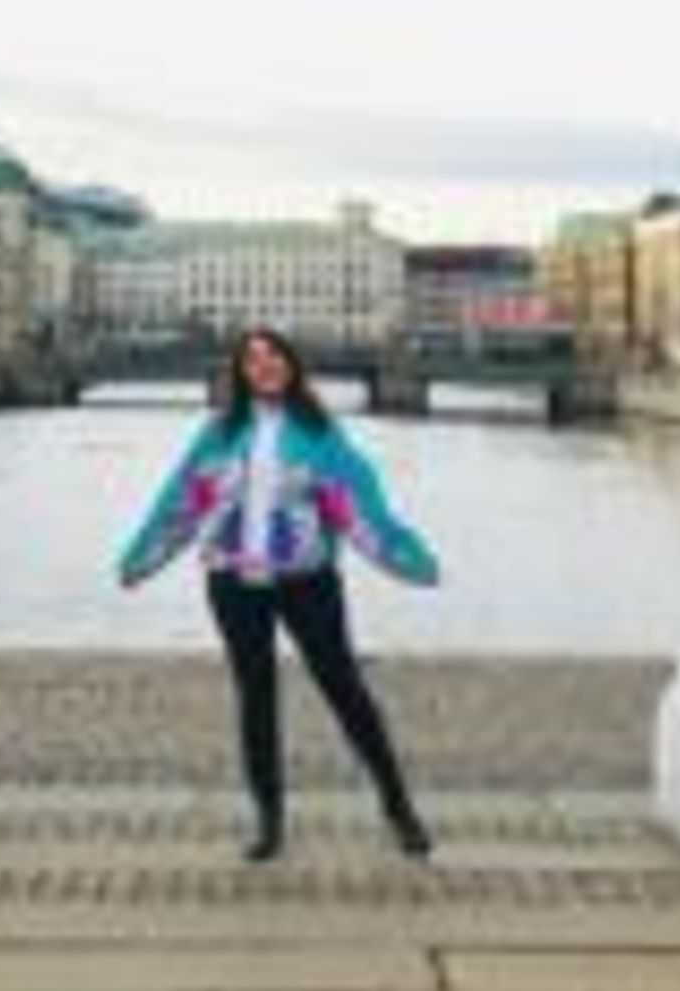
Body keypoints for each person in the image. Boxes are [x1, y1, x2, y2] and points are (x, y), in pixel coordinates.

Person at [116, 325, 439, 862]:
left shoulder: (319, 432)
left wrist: (404, 555)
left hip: (307, 581)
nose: (263, 365)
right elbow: (182, 499)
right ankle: (269, 820)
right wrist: (142, 556)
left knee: (346, 690)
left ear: (290, 365)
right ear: (241, 372)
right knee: (256, 697)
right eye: (252, 358)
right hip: (233, 582)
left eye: (273, 356)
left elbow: (357, 502)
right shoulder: (220, 432)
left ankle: (398, 807)